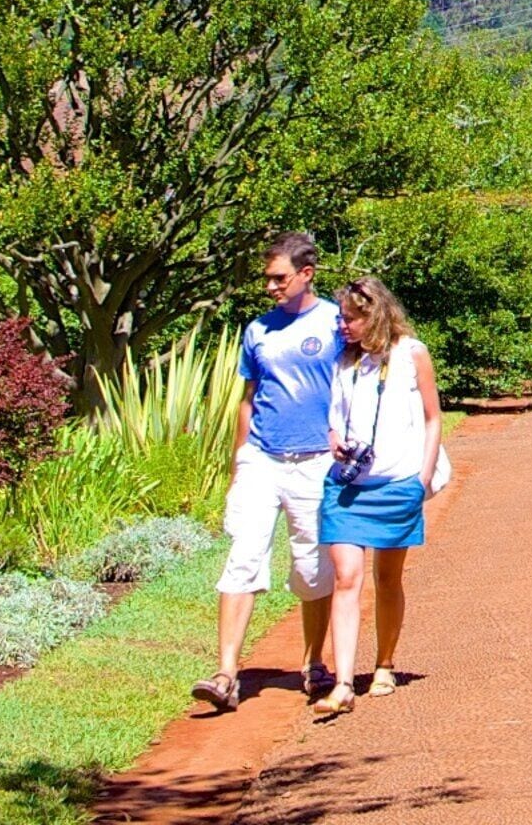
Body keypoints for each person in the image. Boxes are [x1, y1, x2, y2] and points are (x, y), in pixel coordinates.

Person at [195, 232, 340, 714]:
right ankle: (225, 673)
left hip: (316, 460)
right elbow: (248, 398)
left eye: (279, 278)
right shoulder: (257, 330)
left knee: (311, 565)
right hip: (262, 458)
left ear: (306, 274)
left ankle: (314, 662)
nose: (271, 287)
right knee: (243, 557)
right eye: (268, 279)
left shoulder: (337, 322)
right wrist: (239, 463)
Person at [310, 275, 443, 721]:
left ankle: (384, 663)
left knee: (387, 579)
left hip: (396, 484)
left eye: (350, 318)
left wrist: (420, 480)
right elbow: (333, 420)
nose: (342, 326)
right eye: (340, 318)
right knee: (347, 577)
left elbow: (432, 418)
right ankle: (345, 683)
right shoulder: (341, 361)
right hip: (348, 487)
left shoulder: (410, 354)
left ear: (375, 315)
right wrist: (334, 440)